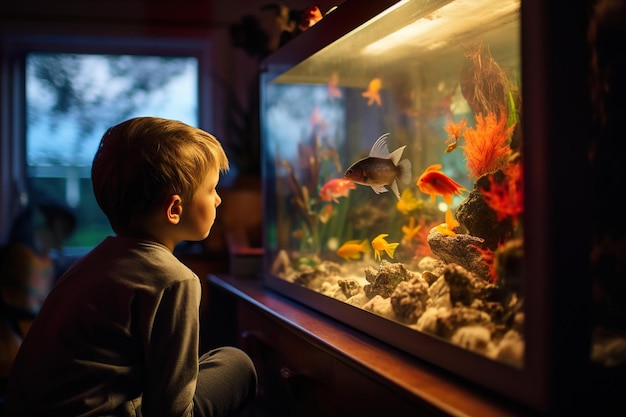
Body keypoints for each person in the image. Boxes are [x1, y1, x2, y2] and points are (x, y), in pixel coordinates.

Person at [4, 117, 258, 416]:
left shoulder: (93, 262)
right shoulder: (174, 280)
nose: (217, 200)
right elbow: (171, 411)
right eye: (212, 189)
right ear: (174, 209)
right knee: (236, 363)